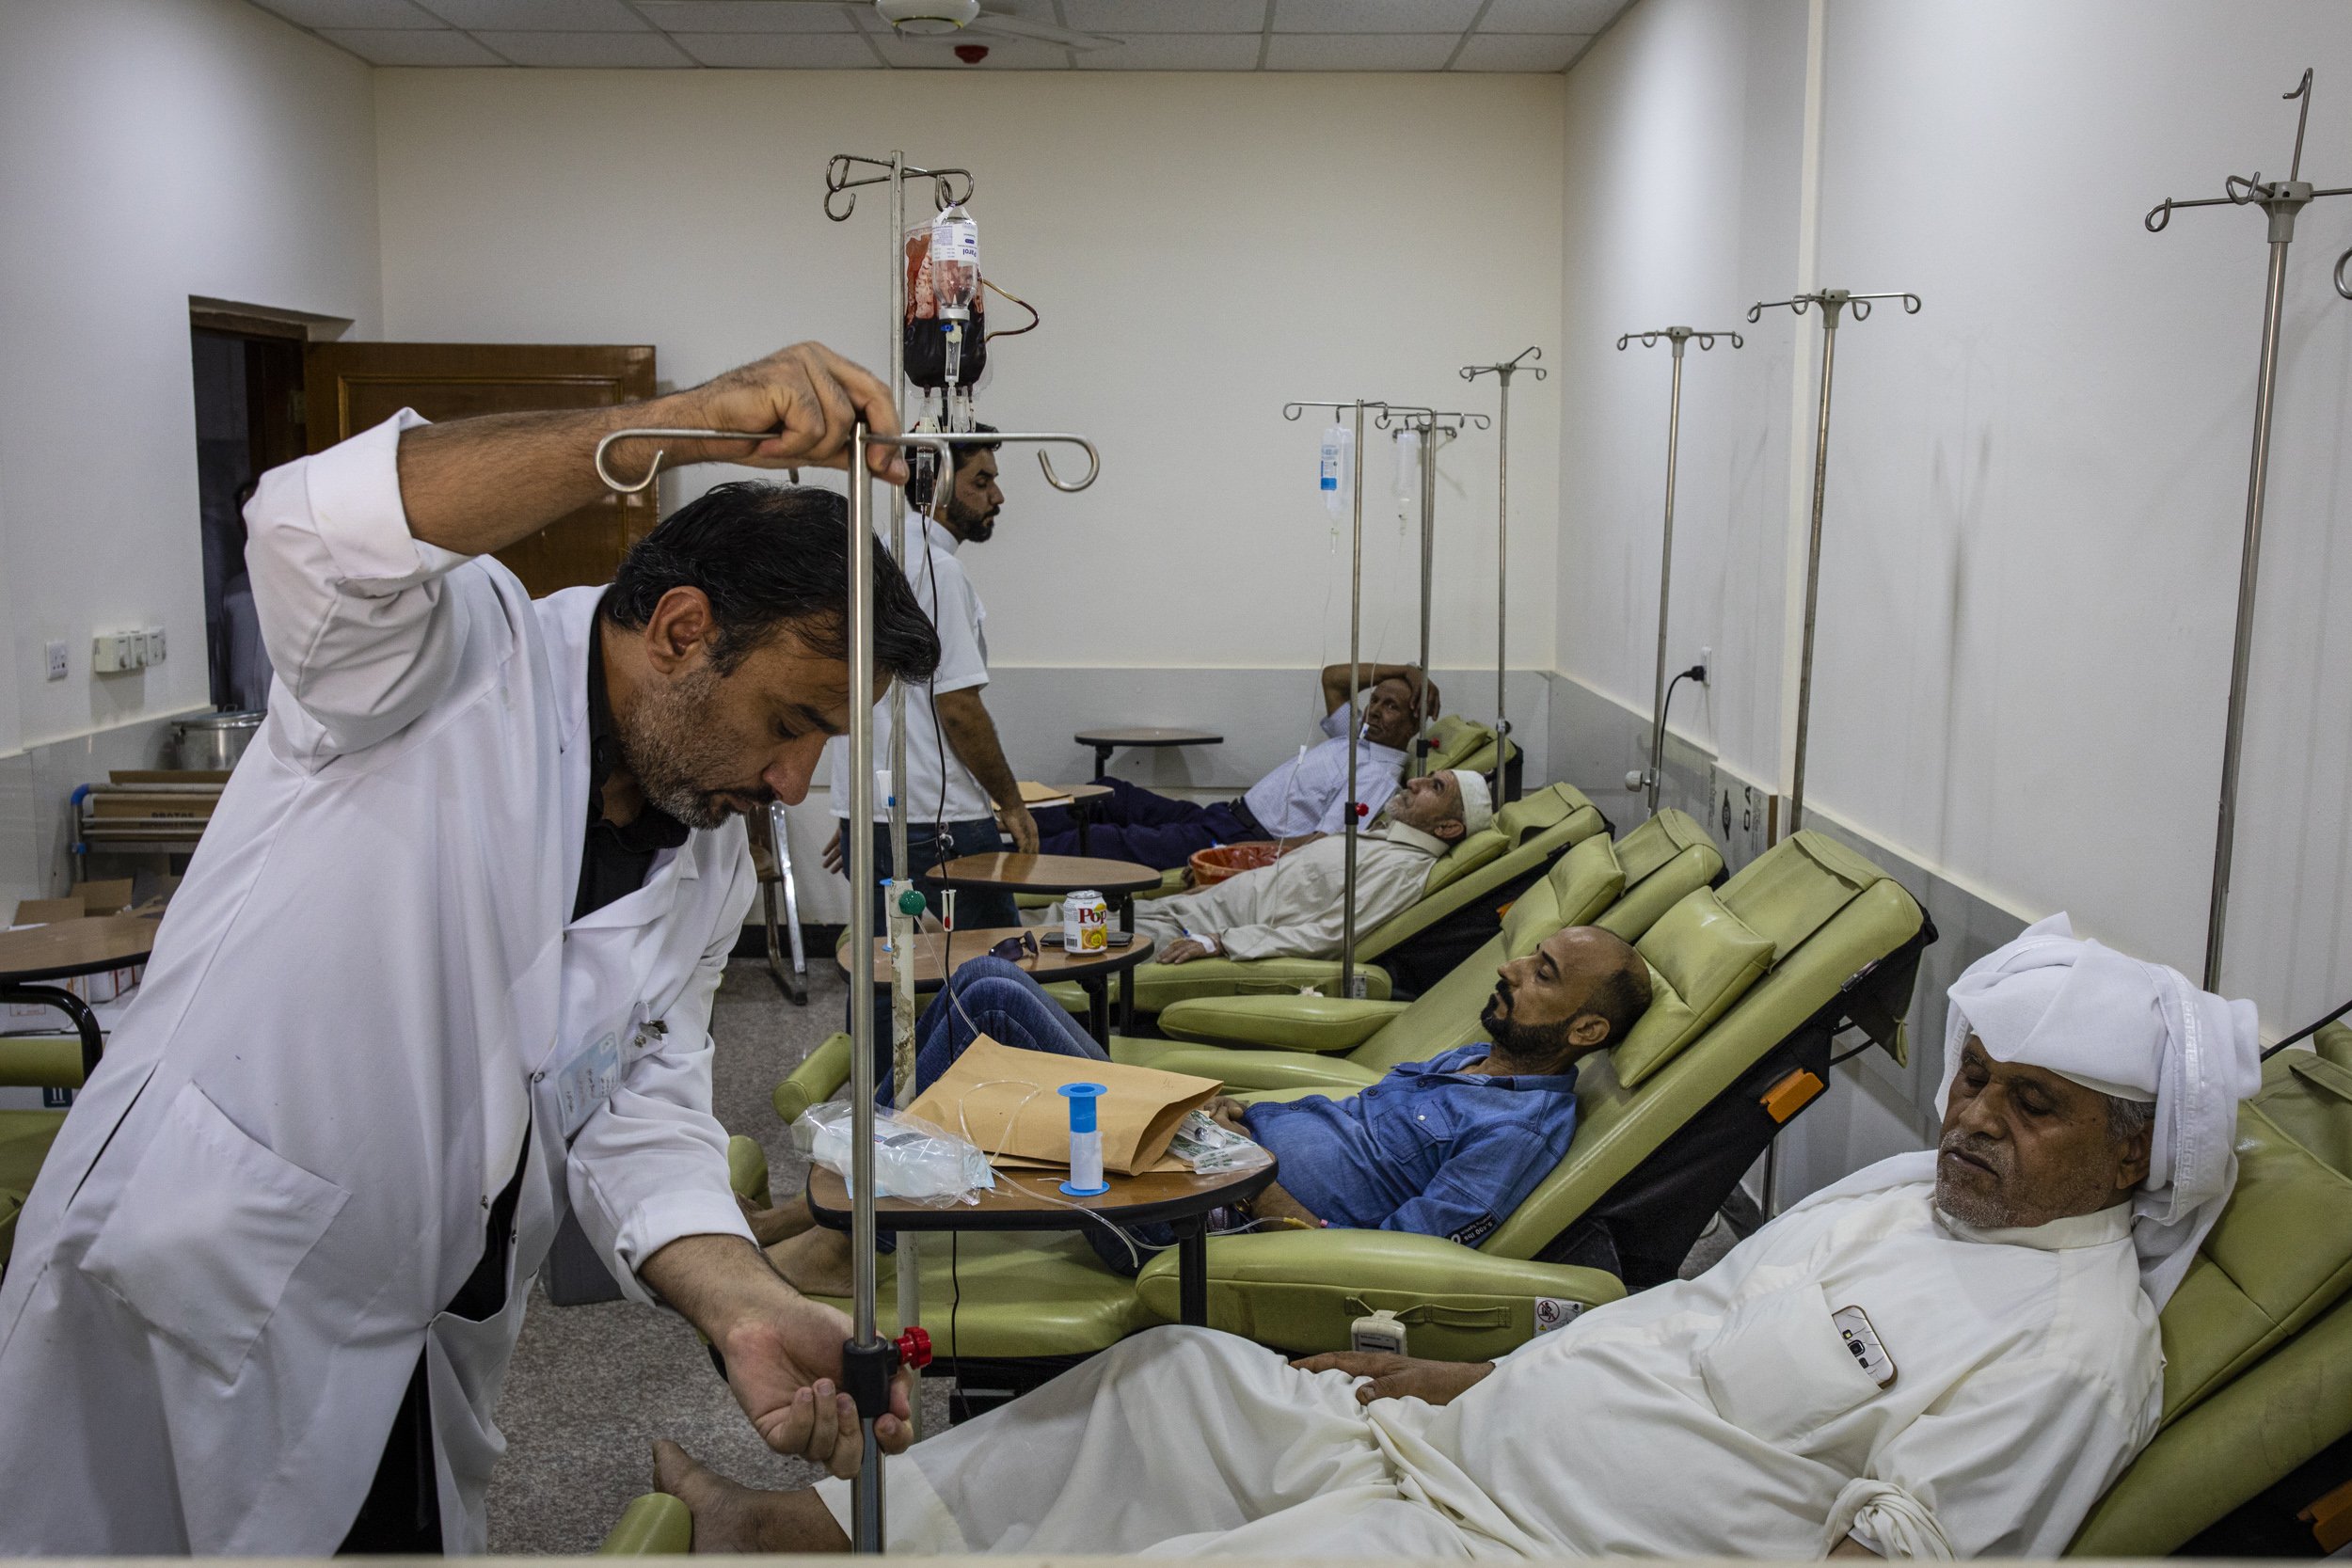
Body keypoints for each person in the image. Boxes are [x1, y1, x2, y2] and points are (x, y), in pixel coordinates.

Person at [0, 344, 937, 1555]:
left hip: (418, 1331)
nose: (792, 780)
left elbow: (636, 1099)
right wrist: (676, 424)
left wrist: (745, 1299)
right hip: (199, 1294)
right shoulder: (436, 665)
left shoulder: (697, 850)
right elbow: (308, 527)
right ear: (681, 631)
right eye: (789, 722)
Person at [652, 912, 2265, 1559]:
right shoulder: (1896, 1198)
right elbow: (1673, 1323)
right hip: (1460, 1445)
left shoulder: (2068, 1350)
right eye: (1975, 1073)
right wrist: (1450, 1388)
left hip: (1522, 1548)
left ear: (2139, 1151)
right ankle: (823, 1526)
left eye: (2033, 1103)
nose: (1975, 1114)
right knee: (1178, 1379)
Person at [748, 921, 1650, 1293]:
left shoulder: (1518, 1133)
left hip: (1198, 1214)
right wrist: (1246, 1111)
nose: (1509, 969)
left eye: (1543, 976)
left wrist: (1252, 1185)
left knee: (986, 991)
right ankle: (834, 1208)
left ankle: (834, 1223)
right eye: (1525, 956)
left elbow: (1392, 1265)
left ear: (1586, 1029)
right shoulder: (1480, 1061)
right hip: (1204, 1150)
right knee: (987, 992)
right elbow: (1358, 1121)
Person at [824, 426, 1027, 932]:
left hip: (872, 814)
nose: (996, 496)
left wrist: (861, 812)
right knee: (991, 964)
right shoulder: (939, 572)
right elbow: (957, 706)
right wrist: (1012, 802)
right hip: (938, 821)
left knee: (884, 968)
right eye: (982, 480)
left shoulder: (866, 562)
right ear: (936, 485)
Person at [1033, 662, 1435, 868]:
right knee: (1112, 792)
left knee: (1107, 840)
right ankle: (1015, 827)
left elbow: (1323, 842)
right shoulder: (1356, 737)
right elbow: (1333, 678)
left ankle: (1003, 861)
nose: (1374, 711)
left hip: (1243, 837)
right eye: (1375, 700)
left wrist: (1240, 856)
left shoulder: (1378, 776)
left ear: (1414, 723)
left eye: (1392, 706)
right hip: (1223, 816)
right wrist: (1404, 671)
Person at [1136, 768, 1489, 965]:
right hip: (1194, 909)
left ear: (1447, 828)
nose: (1415, 782)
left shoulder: (1402, 869)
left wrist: (1219, 942)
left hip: (1201, 931)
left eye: (1434, 786)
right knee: (1086, 915)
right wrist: (1220, 887)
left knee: (1086, 946)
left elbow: (1330, 936)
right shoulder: (1386, 840)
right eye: (1427, 776)